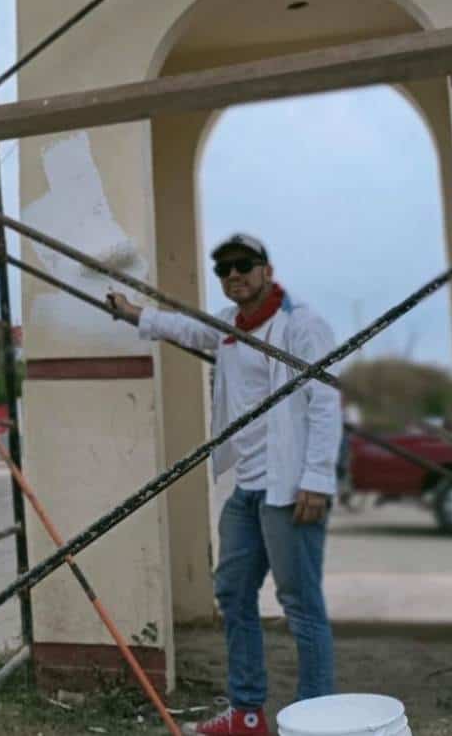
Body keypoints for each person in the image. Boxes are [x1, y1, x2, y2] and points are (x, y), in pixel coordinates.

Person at [108, 233, 342, 736]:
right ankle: (248, 714)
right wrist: (134, 314)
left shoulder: (302, 324)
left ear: (266, 269)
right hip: (248, 490)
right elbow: (187, 328)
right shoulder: (233, 329)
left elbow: (326, 404)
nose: (233, 275)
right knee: (233, 593)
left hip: (290, 489)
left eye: (243, 265)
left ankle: (318, 719)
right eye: (223, 269)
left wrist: (318, 481)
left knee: (300, 606)